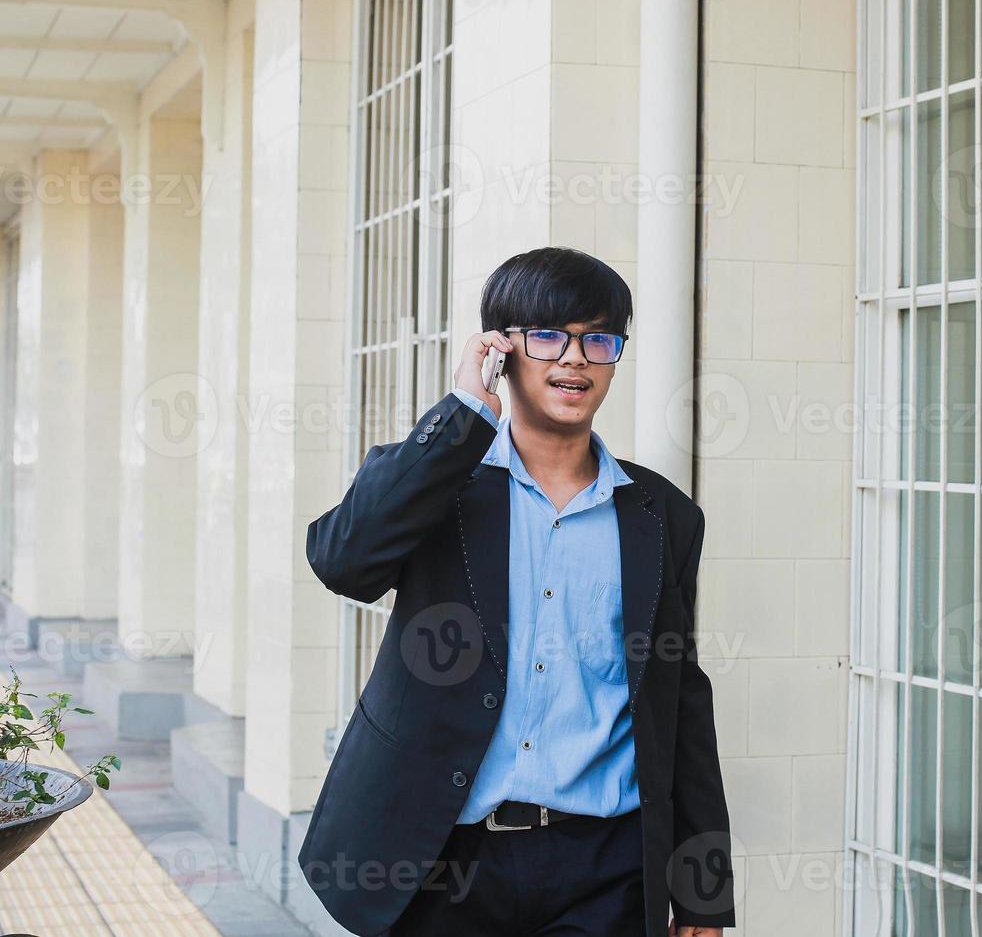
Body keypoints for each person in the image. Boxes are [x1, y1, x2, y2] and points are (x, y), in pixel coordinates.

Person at [300, 247, 734, 936]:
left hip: (606, 865)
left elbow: (680, 703)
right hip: (446, 859)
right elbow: (341, 562)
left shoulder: (662, 516)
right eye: (547, 336)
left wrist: (703, 892)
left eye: (598, 338)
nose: (575, 359)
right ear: (502, 350)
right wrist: (464, 409)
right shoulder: (440, 483)